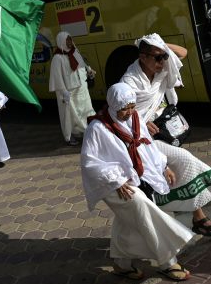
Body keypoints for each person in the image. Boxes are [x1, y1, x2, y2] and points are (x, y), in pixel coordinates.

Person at [121, 33, 211, 236]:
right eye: (157, 57)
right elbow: (120, 113)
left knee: (181, 166)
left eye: (164, 56)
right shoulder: (130, 81)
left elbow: (183, 52)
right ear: (142, 57)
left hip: (159, 132)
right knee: (184, 160)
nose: (163, 61)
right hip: (140, 138)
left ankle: (198, 218)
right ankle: (193, 219)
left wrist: (160, 44)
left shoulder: (160, 69)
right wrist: (141, 121)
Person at [81, 83, 193, 281]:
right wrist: (115, 181)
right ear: (113, 105)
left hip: (135, 175)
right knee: (143, 210)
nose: (129, 111)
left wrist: (163, 166)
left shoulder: (135, 118)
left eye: (132, 106)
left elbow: (147, 146)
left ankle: (122, 264)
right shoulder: (97, 127)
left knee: (129, 220)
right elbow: (90, 162)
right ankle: (168, 261)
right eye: (124, 108)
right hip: (112, 183)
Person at [49, 31, 96, 145]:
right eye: (67, 40)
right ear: (61, 41)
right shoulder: (57, 58)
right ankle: (69, 137)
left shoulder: (75, 52)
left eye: (70, 39)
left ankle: (86, 131)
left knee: (84, 111)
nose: (70, 42)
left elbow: (83, 65)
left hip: (82, 89)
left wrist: (89, 71)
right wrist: (63, 91)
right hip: (69, 91)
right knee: (69, 115)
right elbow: (57, 77)